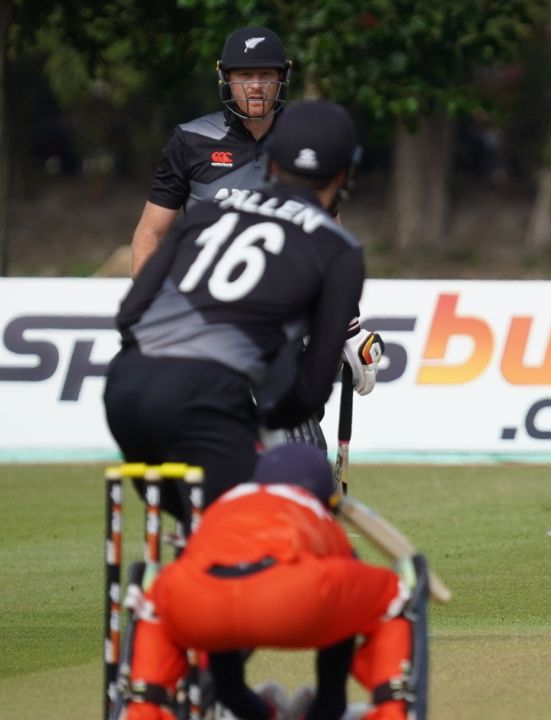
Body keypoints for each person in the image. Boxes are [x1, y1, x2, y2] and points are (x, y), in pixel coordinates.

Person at [105, 99, 367, 523]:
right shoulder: (338, 249)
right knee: (286, 495)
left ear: (273, 164)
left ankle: (183, 560)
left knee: (197, 523)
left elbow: (130, 315)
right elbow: (310, 392)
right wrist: (258, 420)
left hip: (124, 393)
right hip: (209, 401)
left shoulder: (209, 212)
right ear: (343, 176)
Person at [129, 25, 384, 450]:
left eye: (266, 75)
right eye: (244, 75)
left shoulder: (304, 142)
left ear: (282, 78)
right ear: (225, 78)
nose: (255, 86)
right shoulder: (191, 141)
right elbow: (150, 234)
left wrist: (349, 327)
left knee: (299, 450)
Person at [120, 443, 415, 720]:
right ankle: (371, 709)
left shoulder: (226, 502)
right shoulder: (314, 509)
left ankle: (146, 708)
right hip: (291, 596)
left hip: (200, 600)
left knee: (154, 605)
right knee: (390, 593)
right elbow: (347, 587)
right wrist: (329, 704)